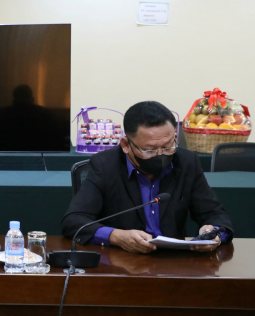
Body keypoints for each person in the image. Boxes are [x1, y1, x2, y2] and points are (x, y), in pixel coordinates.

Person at [62, 101, 233, 254]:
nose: (160, 155)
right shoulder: (105, 165)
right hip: (122, 261)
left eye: (168, 146)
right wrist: (115, 236)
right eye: (149, 150)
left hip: (173, 262)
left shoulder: (187, 162)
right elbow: (73, 221)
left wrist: (214, 232)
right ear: (126, 145)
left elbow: (215, 214)